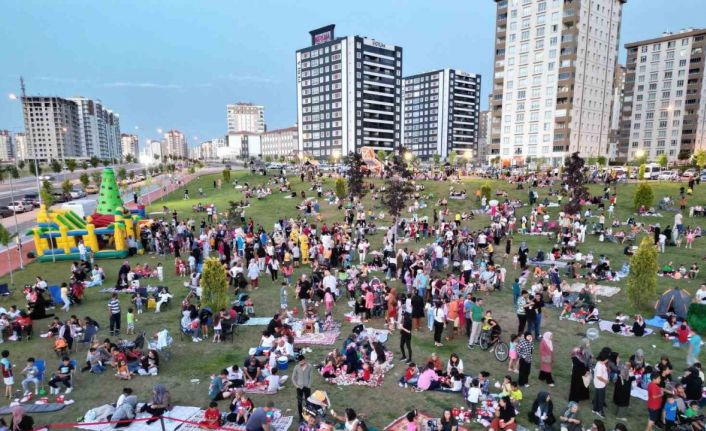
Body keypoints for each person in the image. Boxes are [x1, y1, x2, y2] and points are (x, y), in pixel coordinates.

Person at [292, 355, 312, 422]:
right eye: (299, 362)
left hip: (307, 387)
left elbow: (311, 377)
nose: (300, 363)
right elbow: (293, 378)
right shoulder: (296, 367)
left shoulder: (309, 366)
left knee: (308, 402)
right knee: (299, 403)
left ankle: (307, 415)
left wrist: (309, 386)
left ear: (304, 360)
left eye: (301, 361)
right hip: (299, 387)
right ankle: (301, 417)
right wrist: (296, 386)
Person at [592, 351, 609, 418]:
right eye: (607, 359)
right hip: (600, 384)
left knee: (597, 396)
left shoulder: (600, 363)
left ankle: (594, 409)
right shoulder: (599, 365)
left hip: (599, 384)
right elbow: (598, 376)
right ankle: (599, 411)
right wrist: (605, 381)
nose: (608, 360)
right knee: (601, 398)